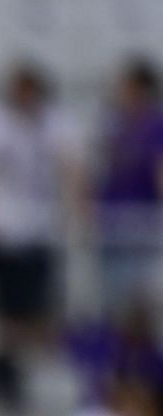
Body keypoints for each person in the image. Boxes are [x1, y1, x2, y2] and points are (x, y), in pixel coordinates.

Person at [0, 62, 85, 413]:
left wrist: (72, 214)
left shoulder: (55, 122)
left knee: (35, 309)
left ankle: (21, 373)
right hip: (2, 229)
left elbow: (71, 168)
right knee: (4, 311)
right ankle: (7, 375)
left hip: (39, 229)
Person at [91, 57, 163, 314]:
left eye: (125, 85)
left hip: (140, 218)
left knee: (138, 296)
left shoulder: (156, 125)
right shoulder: (113, 122)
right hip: (111, 217)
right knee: (111, 296)